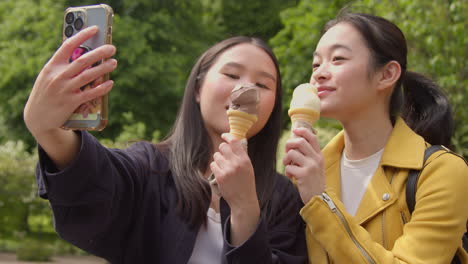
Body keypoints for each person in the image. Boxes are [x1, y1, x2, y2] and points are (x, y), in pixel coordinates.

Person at [24, 26, 307, 263]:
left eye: (263, 85)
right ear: (198, 89)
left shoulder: (285, 200)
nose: (244, 89)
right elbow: (96, 178)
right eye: (232, 75)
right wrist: (48, 129)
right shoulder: (151, 169)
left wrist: (245, 207)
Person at [283, 11, 468, 264]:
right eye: (316, 64)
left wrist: (320, 201)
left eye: (337, 59)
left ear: (387, 74)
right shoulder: (312, 171)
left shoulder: (441, 171)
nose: (319, 74)